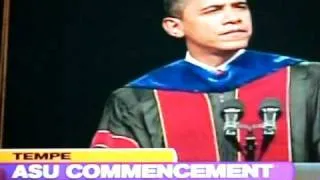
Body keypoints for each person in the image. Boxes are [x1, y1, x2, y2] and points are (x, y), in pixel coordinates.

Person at [91, 0, 320, 162]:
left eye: (240, 6)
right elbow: (113, 168)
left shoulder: (305, 80)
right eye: (213, 10)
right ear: (175, 27)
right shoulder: (138, 98)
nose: (233, 18)